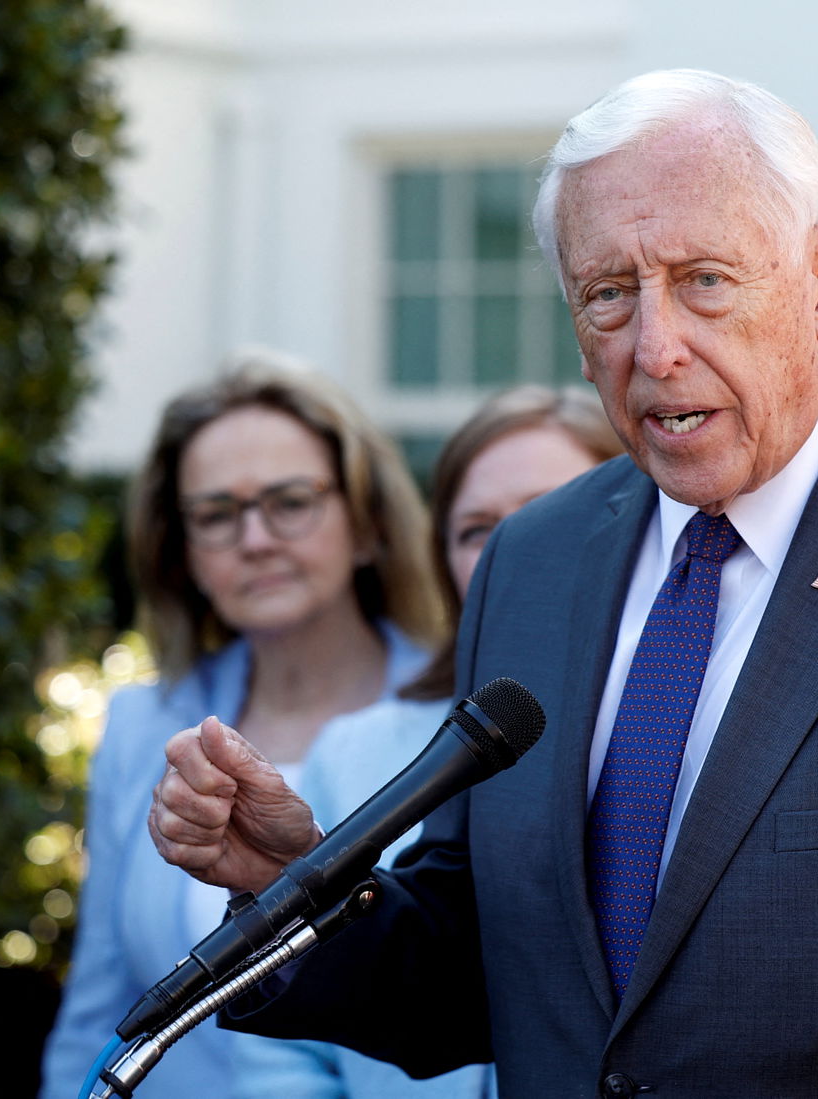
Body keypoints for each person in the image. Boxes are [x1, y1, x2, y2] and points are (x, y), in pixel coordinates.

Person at [149, 70, 818, 1097]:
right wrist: (291, 890)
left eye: (705, 282)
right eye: (607, 296)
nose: (656, 346)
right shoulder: (532, 561)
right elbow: (486, 970)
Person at [40, 357, 444, 1099]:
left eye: (290, 501)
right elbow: (99, 1005)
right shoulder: (145, 726)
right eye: (217, 514)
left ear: (366, 523)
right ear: (183, 550)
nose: (254, 538)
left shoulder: (456, 720)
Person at [229, 385, 622, 1098]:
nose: (516, 550)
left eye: (548, 514)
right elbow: (286, 1057)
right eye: (478, 530)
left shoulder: (660, 732)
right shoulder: (351, 747)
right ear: (442, 554)